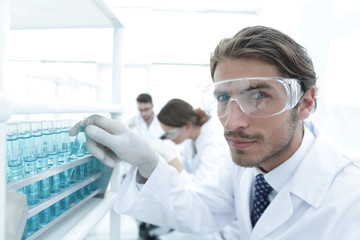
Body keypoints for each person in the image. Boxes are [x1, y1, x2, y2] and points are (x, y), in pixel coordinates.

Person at [70, 26, 360, 239]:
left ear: (306, 102)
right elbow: (201, 211)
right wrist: (148, 165)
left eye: (259, 96)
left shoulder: (351, 197)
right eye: (223, 98)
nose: (232, 123)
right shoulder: (245, 167)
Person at [149, 98, 238, 239]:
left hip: (225, 225)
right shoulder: (193, 140)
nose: (167, 137)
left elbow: (201, 190)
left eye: (170, 133)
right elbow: (185, 172)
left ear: (188, 127)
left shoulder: (214, 144)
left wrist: (172, 159)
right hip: (206, 214)